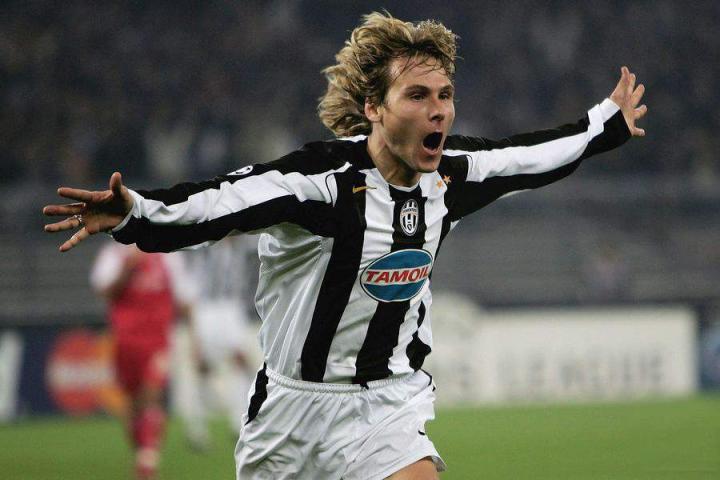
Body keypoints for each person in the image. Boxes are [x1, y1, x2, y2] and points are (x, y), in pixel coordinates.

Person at [44, 11, 647, 480]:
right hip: (289, 417)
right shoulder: (319, 184)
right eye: (417, 96)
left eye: (444, 95)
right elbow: (216, 204)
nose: (438, 111)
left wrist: (607, 123)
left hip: (387, 405)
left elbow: (529, 156)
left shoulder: (452, 177)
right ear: (374, 108)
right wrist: (136, 213)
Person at [90, 242, 192, 479]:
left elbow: (184, 299)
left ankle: (148, 461)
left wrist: (193, 332)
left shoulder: (169, 256)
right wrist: (128, 267)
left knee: (152, 393)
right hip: (125, 341)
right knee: (133, 405)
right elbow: (104, 291)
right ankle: (142, 451)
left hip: (158, 341)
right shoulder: (114, 253)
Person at [177, 236, 258, 450]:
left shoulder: (243, 244)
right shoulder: (202, 247)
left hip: (232, 308)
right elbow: (188, 287)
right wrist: (193, 329)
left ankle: (238, 423)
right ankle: (197, 430)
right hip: (206, 309)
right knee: (202, 369)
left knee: (241, 364)